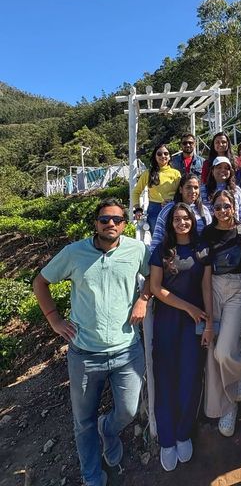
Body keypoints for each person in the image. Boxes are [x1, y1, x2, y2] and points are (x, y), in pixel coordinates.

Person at [33, 198, 151, 486]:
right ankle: (91, 476)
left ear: (125, 224)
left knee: (128, 410)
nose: (111, 224)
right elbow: (40, 282)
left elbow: (152, 276)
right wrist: (54, 320)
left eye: (117, 219)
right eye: (104, 219)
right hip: (85, 354)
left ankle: (108, 430)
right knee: (83, 422)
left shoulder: (137, 249)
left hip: (126, 350)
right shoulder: (74, 253)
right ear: (95, 223)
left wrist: (143, 299)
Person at [149, 203, 213, 471]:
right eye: (177, 218)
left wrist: (209, 322)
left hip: (195, 324)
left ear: (193, 220)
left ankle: (183, 432)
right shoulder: (162, 251)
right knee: (164, 379)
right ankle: (166, 439)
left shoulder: (202, 250)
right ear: (171, 223)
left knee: (190, 377)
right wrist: (188, 307)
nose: (182, 222)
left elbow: (206, 286)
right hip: (167, 321)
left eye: (186, 218)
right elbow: (155, 287)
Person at [201, 190, 241, 437]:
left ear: (234, 207)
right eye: (218, 207)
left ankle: (239, 370)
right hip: (214, 289)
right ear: (213, 210)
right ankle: (227, 406)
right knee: (213, 351)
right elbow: (204, 270)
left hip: (238, 290)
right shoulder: (207, 234)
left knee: (224, 351)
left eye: (226, 206)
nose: (222, 210)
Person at [150, 173, 212, 253]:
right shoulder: (168, 210)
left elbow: (209, 238)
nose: (193, 191)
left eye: (196, 188)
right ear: (180, 189)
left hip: (198, 259)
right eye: (188, 187)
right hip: (173, 258)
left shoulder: (204, 211)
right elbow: (158, 237)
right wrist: (154, 260)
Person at [132, 143, 181, 234]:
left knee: (174, 238)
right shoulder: (148, 173)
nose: (163, 156)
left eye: (166, 153)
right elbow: (136, 192)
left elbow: (180, 192)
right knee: (158, 239)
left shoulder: (176, 174)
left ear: (169, 156)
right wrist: (138, 209)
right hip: (155, 210)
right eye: (159, 154)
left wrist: (172, 202)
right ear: (155, 156)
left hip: (173, 208)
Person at [200, 157, 241, 224]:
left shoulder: (237, 190)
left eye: (226, 168)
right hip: (209, 231)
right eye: (219, 167)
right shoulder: (202, 190)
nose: (223, 170)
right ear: (212, 171)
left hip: (233, 231)